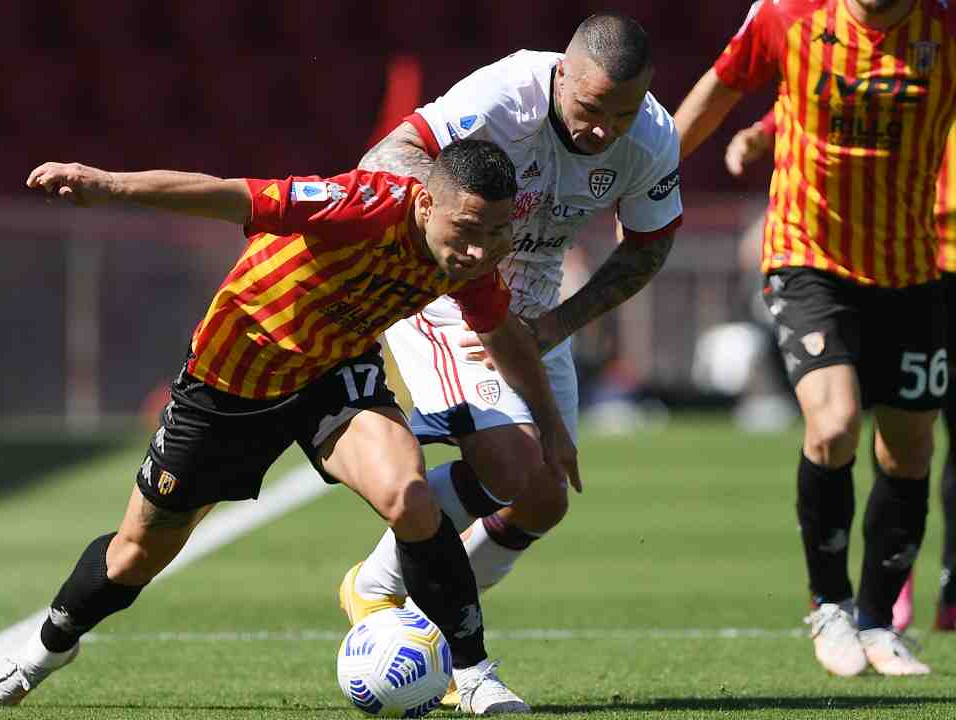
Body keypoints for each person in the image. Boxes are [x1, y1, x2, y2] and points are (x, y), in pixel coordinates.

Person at [0, 139, 576, 715]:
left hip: (332, 375)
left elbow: (503, 335)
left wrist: (549, 425)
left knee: (410, 499)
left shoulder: (472, 266)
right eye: (467, 230)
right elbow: (233, 194)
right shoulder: (359, 204)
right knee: (134, 557)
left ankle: (472, 672)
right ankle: (46, 648)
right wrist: (111, 186)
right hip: (229, 386)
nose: (479, 250)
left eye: (498, 234)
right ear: (424, 202)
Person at [338, 14, 681, 706]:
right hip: (449, 286)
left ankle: (396, 596)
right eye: (590, 109)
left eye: (623, 112)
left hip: (534, 305)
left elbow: (650, 246)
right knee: (514, 462)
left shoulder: (651, 137)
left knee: (544, 495)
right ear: (562, 76)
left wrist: (557, 325)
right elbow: (387, 156)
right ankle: (389, 600)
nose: (603, 130)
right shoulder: (506, 94)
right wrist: (455, 234)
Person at [673, 0, 956, 676]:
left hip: (913, 268)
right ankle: (829, 603)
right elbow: (716, 89)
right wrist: (644, 185)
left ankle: (879, 621)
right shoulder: (785, 14)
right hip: (808, 257)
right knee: (833, 424)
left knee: (910, 448)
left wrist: (767, 129)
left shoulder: (944, 29)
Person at [725, 111, 956, 633]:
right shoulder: (917, 46)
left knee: (916, 439)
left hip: (920, 270)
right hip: (903, 261)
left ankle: (938, 595)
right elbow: (824, 94)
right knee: (848, 424)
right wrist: (763, 130)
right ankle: (858, 601)